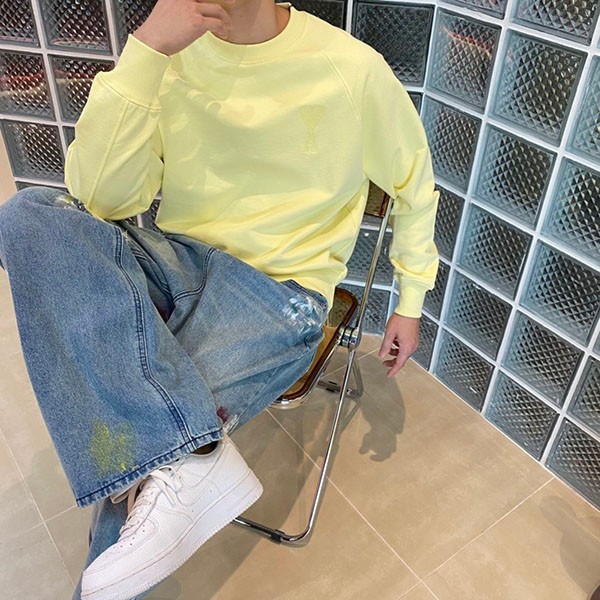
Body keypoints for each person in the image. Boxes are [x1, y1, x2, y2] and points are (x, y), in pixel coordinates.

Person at [0, 0, 438, 598]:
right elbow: (99, 201)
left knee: (144, 453)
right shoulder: (172, 58)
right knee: (28, 215)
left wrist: (410, 299)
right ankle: (191, 456)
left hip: (277, 294)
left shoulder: (352, 68)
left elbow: (413, 184)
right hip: (179, 258)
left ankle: (174, 466)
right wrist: (148, 50)